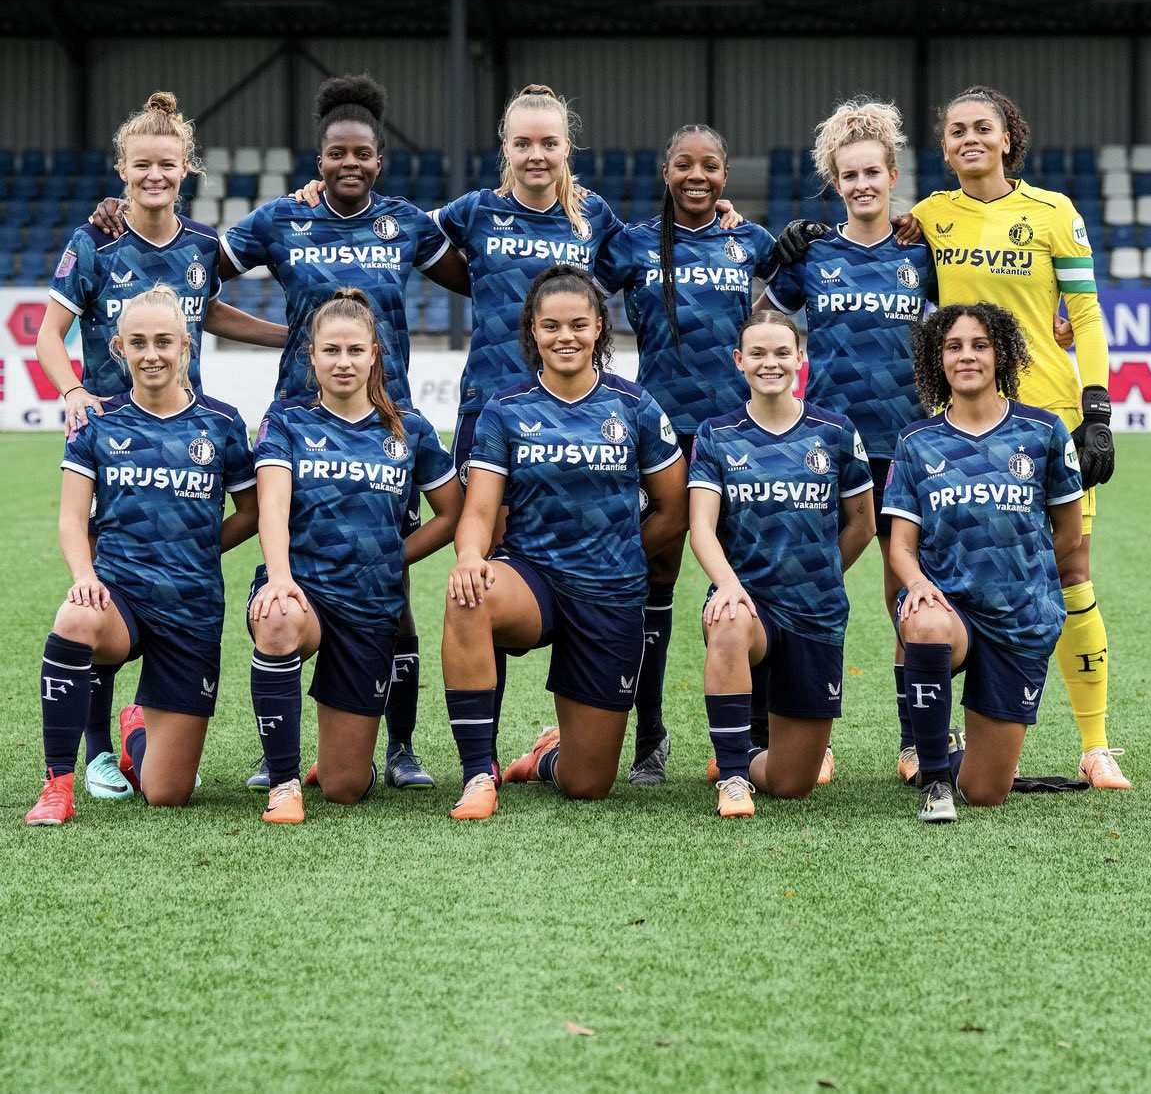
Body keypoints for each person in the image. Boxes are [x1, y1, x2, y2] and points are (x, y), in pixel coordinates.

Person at [37, 90, 278, 802]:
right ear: (121, 168)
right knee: (103, 574)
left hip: (186, 430)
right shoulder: (93, 241)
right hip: (111, 430)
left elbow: (209, 308)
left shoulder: (202, 244)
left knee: (171, 791)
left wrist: (282, 335)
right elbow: (52, 333)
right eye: (141, 165)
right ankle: (99, 752)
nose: (154, 176)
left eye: (166, 165)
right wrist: (74, 393)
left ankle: (143, 726)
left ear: (185, 169)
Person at [896, 85, 1124, 788]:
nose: (969, 137)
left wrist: (1095, 410)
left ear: (1006, 137)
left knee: (1070, 570)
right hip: (961, 426)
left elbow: (1082, 314)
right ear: (942, 147)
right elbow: (877, 234)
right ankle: (936, 733)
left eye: (982, 127)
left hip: (1045, 419)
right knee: (943, 573)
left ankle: (1095, 744)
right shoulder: (932, 216)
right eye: (955, 128)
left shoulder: (1053, 213)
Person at [441, 265, 687, 821]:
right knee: (468, 595)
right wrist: (471, 556)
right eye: (551, 326)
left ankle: (548, 757)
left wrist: (622, 548)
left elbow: (674, 511)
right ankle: (480, 772)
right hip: (533, 578)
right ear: (533, 330)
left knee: (588, 785)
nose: (565, 337)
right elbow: (479, 511)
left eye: (578, 323)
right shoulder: (504, 411)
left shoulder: (636, 407)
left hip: (611, 590)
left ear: (600, 327)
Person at [25, 284, 257, 825]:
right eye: (138, 343)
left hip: (192, 609)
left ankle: (134, 733)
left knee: (168, 795)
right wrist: (85, 574)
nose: (151, 354)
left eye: (163, 342)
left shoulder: (221, 424)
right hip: (120, 597)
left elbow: (249, 511)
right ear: (119, 348)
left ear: (185, 347)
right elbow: (69, 518)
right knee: (75, 615)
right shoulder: (96, 422)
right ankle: (57, 785)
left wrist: (195, 549)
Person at [594, 123, 781, 784]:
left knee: (750, 575)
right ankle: (649, 737)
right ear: (665, 171)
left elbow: (812, 278)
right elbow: (569, 284)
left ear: (725, 175)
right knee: (655, 577)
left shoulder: (749, 240)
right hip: (657, 438)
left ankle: (756, 737)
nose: (695, 175)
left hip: (737, 435)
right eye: (683, 164)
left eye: (708, 166)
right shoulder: (631, 243)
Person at [764, 99, 932, 785]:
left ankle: (916, 737)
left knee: (905, 594)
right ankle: (806, 737)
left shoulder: (921, 251)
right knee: (808, 591)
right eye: (848, 174)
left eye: (872, 172)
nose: (861, 184)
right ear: (835, 182)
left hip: (904, 444)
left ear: (891, 173)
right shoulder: (812, 253)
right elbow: (764, 322)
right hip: (825, 447)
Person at [248, 288, 462, 824]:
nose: (343, 362)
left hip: (370, 605)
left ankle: (341, 762)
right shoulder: (286, 422)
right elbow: (270, 507)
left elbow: (452, 514)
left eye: (355, 351)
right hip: (305, 590)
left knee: (345, 788)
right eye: (331, 351)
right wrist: (278, 578)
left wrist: (395, 556)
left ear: (374, 356)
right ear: (312, 357)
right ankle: (283, 782)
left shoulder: (408, 429)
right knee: (278, 618)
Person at [883, 303, 1084, 822]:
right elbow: (901, 545)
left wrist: (1023, 574)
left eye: (979, 345)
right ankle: (932, 780)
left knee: (987, 790)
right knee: (924, 623)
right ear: (938, 360)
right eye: (953, 346)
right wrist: (919, 585)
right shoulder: (915, 442)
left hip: (1020, 618)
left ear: (1001, 355)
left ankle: (952, 762)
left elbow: (1066, 532)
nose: (966, 356)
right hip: (950, 610)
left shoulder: (1043, 432)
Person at [688, 310, 875, 819]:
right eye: (758, 353)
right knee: (727, 620)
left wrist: (821, 574)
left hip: (816, 612)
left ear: (800, 359)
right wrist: (727, 585)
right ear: (739, 361)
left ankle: (746, 757)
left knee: (794, 784)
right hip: (750, 603)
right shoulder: (716, 434)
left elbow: (862, 524)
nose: (770, 363)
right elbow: (701, 527)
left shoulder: (835, 432)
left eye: (781, 353)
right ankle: (731, 777)